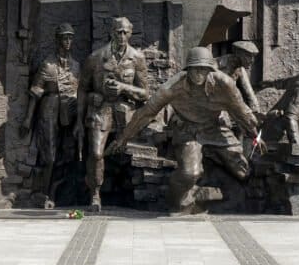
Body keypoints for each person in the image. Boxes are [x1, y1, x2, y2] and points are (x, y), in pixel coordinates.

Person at [111, 47, 259, 212]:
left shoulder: (225, 84)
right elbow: (145, 113)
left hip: (214, 127)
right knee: (190, 173)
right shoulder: (173, 86)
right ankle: (177, 203)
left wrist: (255, 135)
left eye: (203, 69)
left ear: (210, 70)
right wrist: (123, 137)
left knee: (242, 171)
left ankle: (205, 193)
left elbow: (240, 110)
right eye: (195, 69)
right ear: (187, 69)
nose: (198, 74)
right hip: (187, 128)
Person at [74, 17, 149, 212]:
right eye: (118, 32)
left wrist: (124, 88)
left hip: (126, 112)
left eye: (125, 32)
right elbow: (82, 89)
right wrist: (86, 107)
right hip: (101, 110)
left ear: (131, 33)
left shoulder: (137, 58)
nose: (122, 36)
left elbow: (146, 94)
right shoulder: (96, 57)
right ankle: (95, 194)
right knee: (97, 152)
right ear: (111, 32)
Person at [20, 23, 81, 207]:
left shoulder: (76, 66)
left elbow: (81, 92)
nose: (68, 41)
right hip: (49, 109)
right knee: (50, 155)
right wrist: (28, 119)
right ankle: (43, 194)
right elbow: (36, 92)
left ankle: (58, 192)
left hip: (69, 111)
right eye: (64, 37)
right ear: (57, 40)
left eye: (70, 37)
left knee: (68, 155)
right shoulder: (48, 65)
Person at [220, 40, 261, 114]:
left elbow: (249, 93)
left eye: (253, 57)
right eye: (248, 56)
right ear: (238, 53)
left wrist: (256, 113)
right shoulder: (222, 66)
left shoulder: (240, 69)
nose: (252, 60)